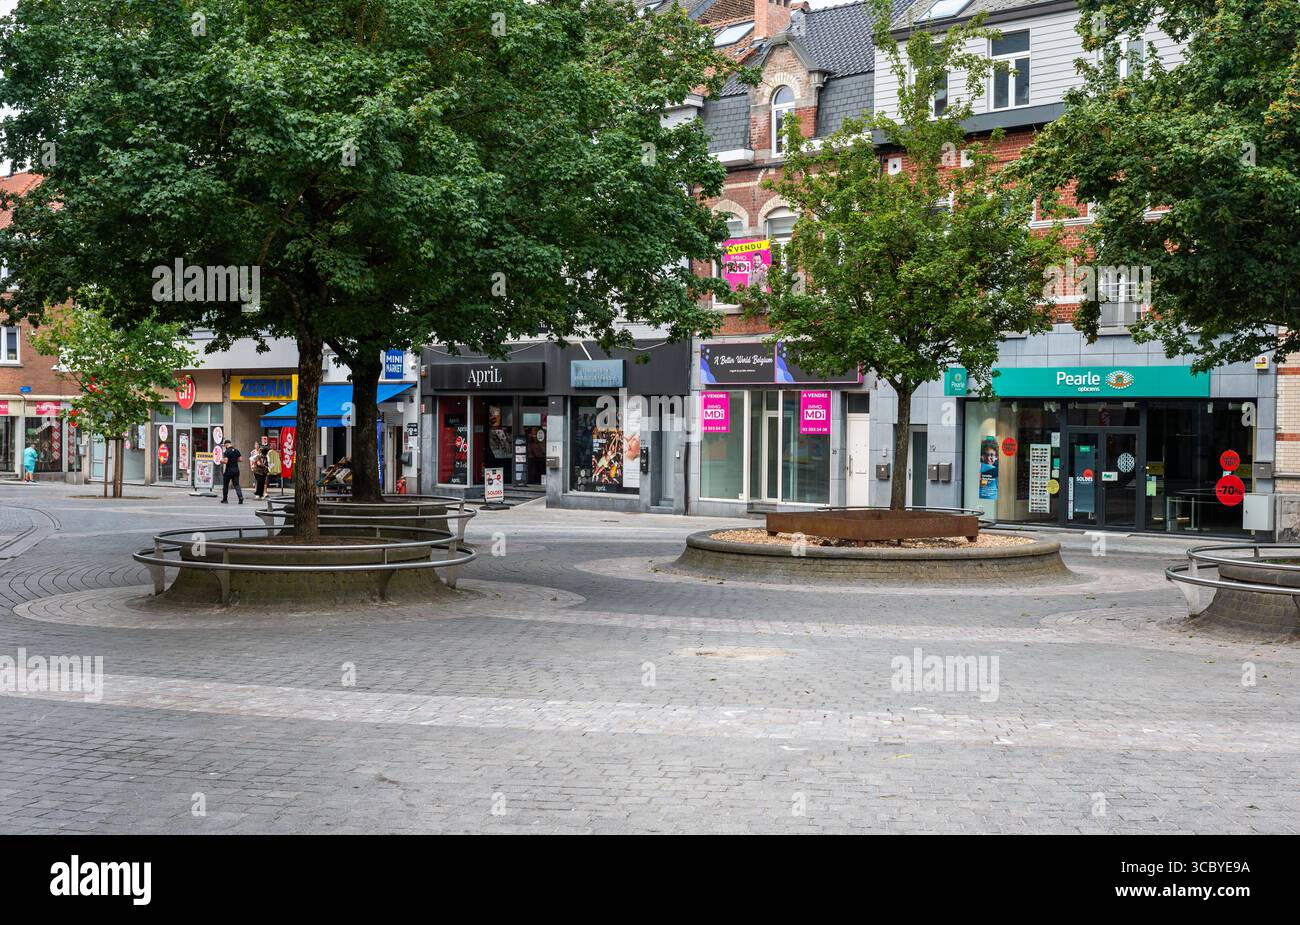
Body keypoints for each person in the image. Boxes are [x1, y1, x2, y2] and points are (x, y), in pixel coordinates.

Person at [220, 439, 244, 504]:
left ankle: (225, 499)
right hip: (236, 470)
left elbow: (226, 461)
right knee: (236, 485)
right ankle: (240, 497)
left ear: (226, 444)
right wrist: (234, 460)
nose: (224, 447)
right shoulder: (236, 450)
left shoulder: (227, 452)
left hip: (229, 470)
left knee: (225, 485)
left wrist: (221, 460)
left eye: (224, 445)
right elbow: (241, 459)